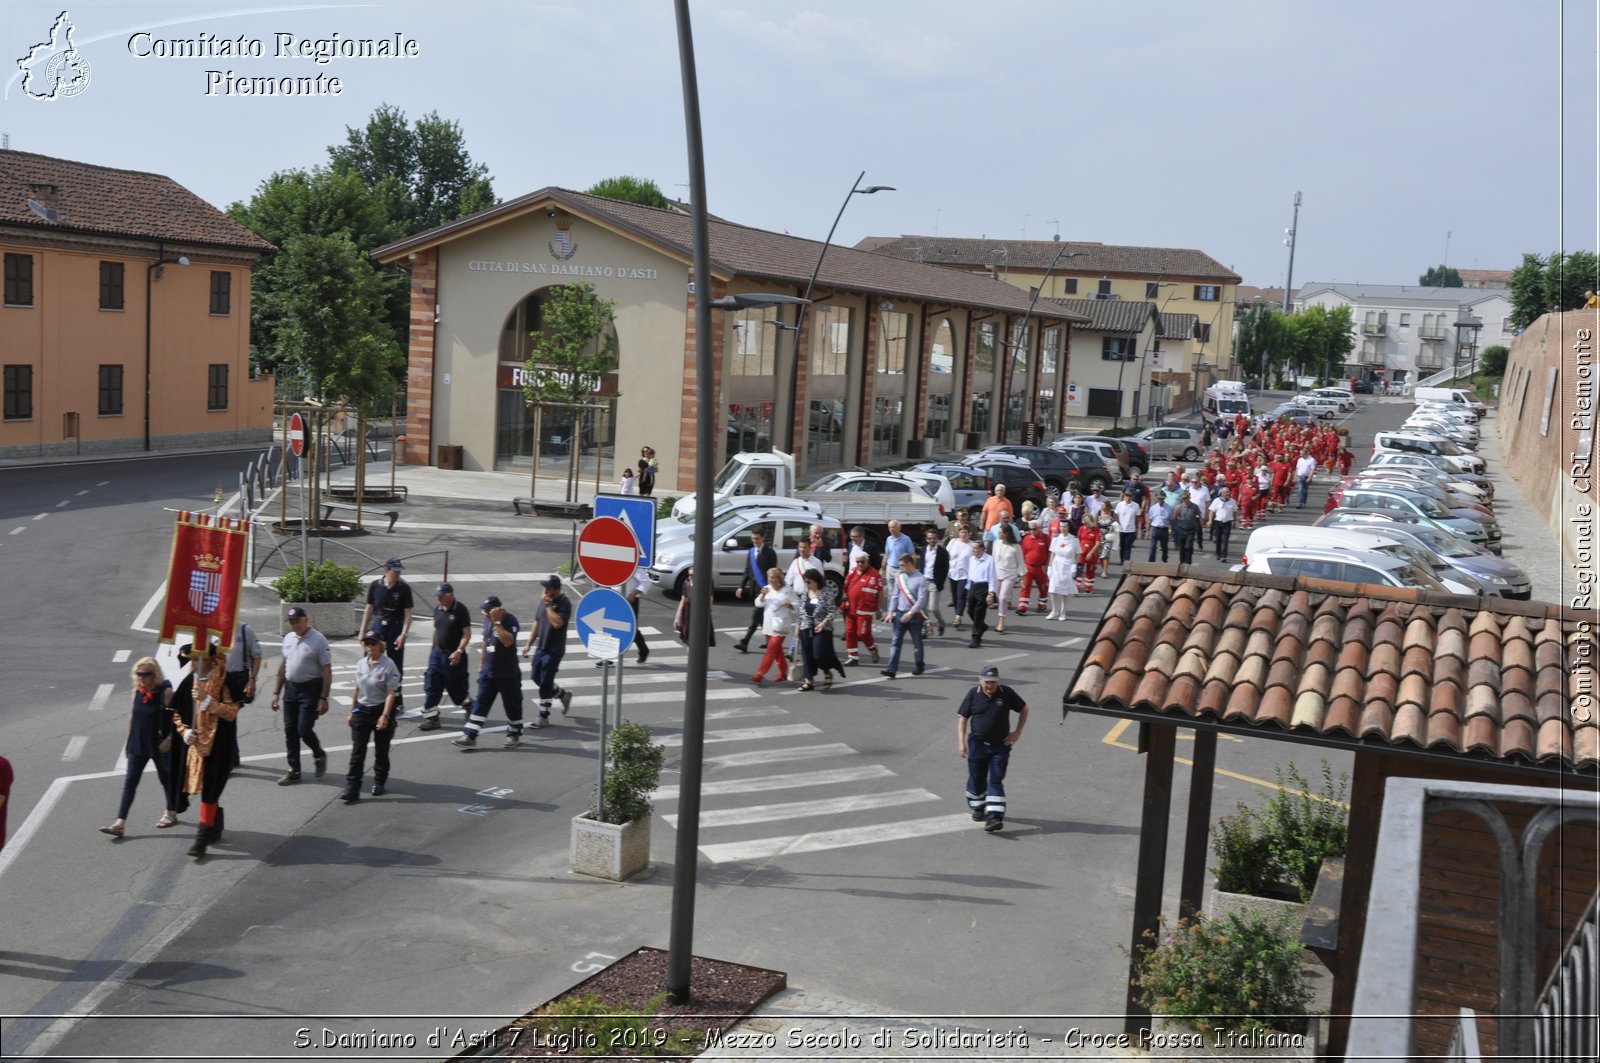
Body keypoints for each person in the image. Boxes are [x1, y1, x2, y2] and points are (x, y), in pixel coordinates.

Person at [173, 643, 242, 858]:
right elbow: (176, 714)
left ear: (210, 660)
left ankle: (201, 838)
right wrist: (184, 732)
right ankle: (215, 821)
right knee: (206, 788)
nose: (192, 663)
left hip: (219, 745)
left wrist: (208, 700)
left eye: (196, 659)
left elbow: (231, 713)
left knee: (211, 787)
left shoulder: (224, 682)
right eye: (192, 659)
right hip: (196, 745)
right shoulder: (189, 682)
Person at [100, 657, 179, 837]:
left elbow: (180, 719)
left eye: (147, 674)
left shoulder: (165, 692)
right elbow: (132, 718)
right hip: (138, 744)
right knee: (130, 784)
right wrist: (128, 743)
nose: (142, 677)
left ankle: (171, 812)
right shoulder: (137, 692)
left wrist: (170, 739)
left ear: (155, 674)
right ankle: (120, 823)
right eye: (139, 674)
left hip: (159, 745)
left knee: (165, 779)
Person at [957, 664, 1028, 834]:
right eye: (987, 681)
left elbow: (1024, 709)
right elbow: (962, 718)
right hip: (977, 745)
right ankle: (978, 808)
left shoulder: (1006, 693)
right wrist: (961, 743)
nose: (990, 685)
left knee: (995, 780)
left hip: (1000, 747)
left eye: (993, 682)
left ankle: (994, 817)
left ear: (998, 682)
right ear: (980, 681)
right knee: (977, 778)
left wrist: (1017, 732)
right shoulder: (973, 694)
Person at [271, 606, 332, 785]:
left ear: (306, 620)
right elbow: (283, 666)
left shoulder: (318, 640)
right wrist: (276, 692)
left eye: (297, 621)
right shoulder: (288, 639)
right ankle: (294, 770)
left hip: (311, 689)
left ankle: (319, 753)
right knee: (290, 731)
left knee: (303, 729)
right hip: (291, 689)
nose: (294, 625)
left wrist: (324, 697)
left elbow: (327, 670)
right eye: (291, 622)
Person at [455, 596, 523, 749]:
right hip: (489, 672)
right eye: (485, 611)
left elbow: (507, 641)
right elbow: (486, 642)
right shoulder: (487, 620)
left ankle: (514, 734)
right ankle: (470, 735)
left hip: (507, 673)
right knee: (481, 703)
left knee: (512, 705)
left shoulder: (510, 621)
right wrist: (481, 665)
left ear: (497, 609)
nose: (486, 614)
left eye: (488, 611)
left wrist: (497, 622)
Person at [344, 627, 401, 800]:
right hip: (362, 710)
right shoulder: (361, 663)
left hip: (380, 709)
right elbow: (357, 690)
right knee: (357, 751)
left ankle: (379, 780)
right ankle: (352, 788)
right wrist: (352, 712)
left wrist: (384, 716)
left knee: (381, 751)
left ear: (380, 645)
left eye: (373, 643)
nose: (370, 646)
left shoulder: (388, 665)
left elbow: (391, 693)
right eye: (367, 643)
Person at [359, 558, 414, 714]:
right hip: (378, 625)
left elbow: (408, 612)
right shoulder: (375, 586)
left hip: (395, 626)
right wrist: (362, 630)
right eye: (394, 571)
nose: (397, 574)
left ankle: (397, 701)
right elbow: (369, 608)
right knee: (369, 658)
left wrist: (404, 633)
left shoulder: (404, 588)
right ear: (386, 570)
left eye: (399, 571)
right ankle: (366, 697)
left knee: (395, 664)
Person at [523, 574, 574, 727]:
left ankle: (543, 715)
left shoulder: (564, 603)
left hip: (554, 650)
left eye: (548, 588)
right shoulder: (544, 601)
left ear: (557, 589)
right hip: (541, 647)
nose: (545, 590)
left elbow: (557, 623)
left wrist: (548, 606)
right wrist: (528, 644)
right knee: (535, 677)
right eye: (544, 587)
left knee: (545, 683)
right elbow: (537, 622)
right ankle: (562, 694)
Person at [420, 583, 473, 731]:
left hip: (454, 655)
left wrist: (459, 651)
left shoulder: (460, 610)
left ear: (450, 595)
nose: (438, 599)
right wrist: (432, 649)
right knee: (431, 685)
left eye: (441, 596)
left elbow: (467, 633)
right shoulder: (437, 609)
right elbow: (436, 630)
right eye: (437, 596)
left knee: (456, 690)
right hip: (437, 654)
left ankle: (469, 705)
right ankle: (431, 719)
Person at [879, 553, 928, 679]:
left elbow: (922, 600)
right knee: (895, 642)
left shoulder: (921, 579)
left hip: (915, 616)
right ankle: (891, 669)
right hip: (900, 614)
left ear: (910, 564)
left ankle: (919, 664)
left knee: (917, 642)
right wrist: (890, 612)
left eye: (902, 565)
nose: (900, 568)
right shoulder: (900, 577)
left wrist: (911, 613)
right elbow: (894, 595)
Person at [796, 568, 843, 692]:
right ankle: (809, 681)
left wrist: (823, 623)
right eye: (805, 582)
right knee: (807, 655)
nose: (807, 584)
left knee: (818, 654)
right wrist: (798, 626)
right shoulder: (805, 593)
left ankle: (827, 671)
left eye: (809, 582)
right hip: (806, 627)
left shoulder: (826, 593)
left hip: (822, 628)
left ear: (816, 581)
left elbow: (833, 611)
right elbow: (800, 612)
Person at [733, 527, 778, 653]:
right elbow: (747, 570)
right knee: (762, 618)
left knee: (755, 617)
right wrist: (741, 586)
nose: (755, 541)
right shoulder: (751, 552)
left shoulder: (770, 553)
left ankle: (744, 642)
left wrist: (770, 589)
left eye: (757, 539)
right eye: (753, 539)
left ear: (763, 538)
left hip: (765, 591)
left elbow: (773, 573)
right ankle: (771, 641)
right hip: (754, 589)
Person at [751, 568, 796, 684]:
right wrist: (761, 595)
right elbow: (758, 603)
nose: (771, 580)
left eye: (773, 577)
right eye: (769, 577)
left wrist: (790, 605)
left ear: (779, 579)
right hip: (768, 624)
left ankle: (759, 673)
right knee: (777, 651)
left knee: (771, 650)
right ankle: (783, 672)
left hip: (781, 625)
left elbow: (797, 604)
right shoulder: (767, 589)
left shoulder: (787, 590)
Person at [841, 550, 883, 666]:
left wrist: (878, 609)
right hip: (851, 608)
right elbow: (845, 586)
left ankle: (873, 648)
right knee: (850, 632)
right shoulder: (852, 571)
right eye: (858, 562)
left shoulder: (875, 575)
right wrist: (844, 599)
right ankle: (853, 657)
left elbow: (880, 592)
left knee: (863, 633)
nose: (860, 564)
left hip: (865, 610)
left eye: (862, 562)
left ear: (867, 561)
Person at [963, 538, 996, 648]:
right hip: (973, 586)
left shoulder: (989, 560)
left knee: (979, 613)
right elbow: (970, 574)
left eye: (976, 548)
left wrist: (991, 593)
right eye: (973, 548)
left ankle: (976, 638)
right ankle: (981, 626)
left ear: (982, 549)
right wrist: (967, 587)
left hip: (983, 587)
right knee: (970, 611)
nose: (974, 550)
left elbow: (992, 577)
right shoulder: (972, 559)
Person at [991, 522, 1022, 634]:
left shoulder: (1016, 547)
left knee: (1003, 598)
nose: (998, 534)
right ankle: (1004, 606)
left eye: (1000, 532)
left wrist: (1022, 577)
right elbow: (993, 560)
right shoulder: (996, 544)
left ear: (1006, 534)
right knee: (999, 597)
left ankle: (1001, 621)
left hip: (1010, 575)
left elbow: (1021, 563)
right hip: (998, 574)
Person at [918, 526, 950, 635]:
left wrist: (940, 582)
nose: (932, 540)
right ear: (926, 539)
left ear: (937, 539)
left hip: (934, 583)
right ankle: (925, 629)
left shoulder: (942, 552)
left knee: (933, 608)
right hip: (924, 582)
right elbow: (921, 565)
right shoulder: (923, 550)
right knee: (922, 607)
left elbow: (946, 568)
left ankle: (941, 623)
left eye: (934, 538)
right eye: (930, 538)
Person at [1046, 525, 1080, 619]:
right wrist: (1049, 567)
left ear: (1068, 527)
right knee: (1052, 589)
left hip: (1067, 565)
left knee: (1064, 591)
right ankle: (1054, 610)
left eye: (1064, 527)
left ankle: (1063, 612)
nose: (1062, 528)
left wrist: (1074, 566)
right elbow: (1052, 553)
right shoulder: (1056, 539)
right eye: (1060, 527)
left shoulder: (1074, 539)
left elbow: (1077, 554)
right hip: (1056, 565)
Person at [1017, 521, 1050, 615]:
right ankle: (1022, 607)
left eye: (1034, 529)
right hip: (1028, 566)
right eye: (1030, 529)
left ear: (1039, 528)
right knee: (1025, 587)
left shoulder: (1046, 538)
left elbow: (1050, 552)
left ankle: (1042, 605)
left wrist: (1048, 565)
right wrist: (1021, 568)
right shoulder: (1026, 539)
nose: (1031, 531)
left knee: (1044, 587)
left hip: (1040, 568)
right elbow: (1022, 553)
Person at [946, 523, 974, 628]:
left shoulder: (972, 545)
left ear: (969, 534)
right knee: (955, 596)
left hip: (965, 574)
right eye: (962, 532)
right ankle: (957, 613)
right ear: (959, 533)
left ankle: (958, 617)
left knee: (961, 595)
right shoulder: (953, 542)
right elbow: (947, 554)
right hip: (953, 573)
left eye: (965, 532)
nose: (963, 534)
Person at [625, 566, 650, 664]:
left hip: (629, 601)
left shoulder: (633, 566)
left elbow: (646, 582)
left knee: (632, 629)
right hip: (615, 599)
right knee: (611, 627)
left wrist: (634, 594)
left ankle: (643, 650)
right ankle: (608, 658)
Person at [1208, 485, 1240, 562]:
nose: (1227, 494)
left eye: (1228, 492)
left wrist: (1234, 522)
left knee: (1225, 540)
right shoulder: (1216, 501)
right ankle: (1218, 553)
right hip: (1218, 522)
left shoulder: (1232, 501)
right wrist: (1210, 521)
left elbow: (1235, 512)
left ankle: (1224, 555)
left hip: (1227, 522)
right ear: (1222, 493)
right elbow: (1212, 511)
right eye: (1225, 492)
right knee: (1218, 539)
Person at [1074, 511, 1103, 594]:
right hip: (1081, 552)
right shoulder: (1081, 528)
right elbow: (1078, 540)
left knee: (1090, 570)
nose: (1085, 525)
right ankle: (1077, 586)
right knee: (1079, 570)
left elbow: (1097, 543)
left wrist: (1091, 553)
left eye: (1086, 523)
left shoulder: (1096, 530)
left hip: (1092, 553)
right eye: (1083, 523)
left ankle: (1088, 587)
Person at [1172, 494, 1203, 565]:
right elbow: (1174, 518)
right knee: (1182, 547)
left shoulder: (1194, 506)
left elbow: (1200, 517)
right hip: (1181, 529)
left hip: (1191, 529)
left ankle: (1188, 562)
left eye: (1186, 498)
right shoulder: (1179, 507)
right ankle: (1182, 562)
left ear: (1189, 498)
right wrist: (1176, 513)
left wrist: (1202, 527)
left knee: (1188, 546)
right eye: (1183, 498)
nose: (1184, 500)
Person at [1113, 490, 1142, 565]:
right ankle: (1122, 560)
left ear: (1132, 497)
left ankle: (1126, 561)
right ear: (1124, 496)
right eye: (1126, 495)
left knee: (1127, 547)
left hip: (1130, 529)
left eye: (1130, 496)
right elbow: (1115, 514)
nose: (1128, 497)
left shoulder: (1136, 505)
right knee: (1122, 546)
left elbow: (1137, 518)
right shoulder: (1120, 504)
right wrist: (1118, 523)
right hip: (1121, 529)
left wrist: (1136, 529)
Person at [1146, 493, 1174, 562]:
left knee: (1164, 547)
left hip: (1164, 529)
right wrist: (1147, 531)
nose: (1160, 500)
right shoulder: (1153, 508)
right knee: (1153, 547)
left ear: (1164, 499)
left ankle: (1164, 560)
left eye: (1162, 499)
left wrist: (1171, 529)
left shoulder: (1169, 508)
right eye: (1159, 499)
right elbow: (1150, 520)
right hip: (1155, 528)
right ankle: (1151, 562)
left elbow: (1171, 520)